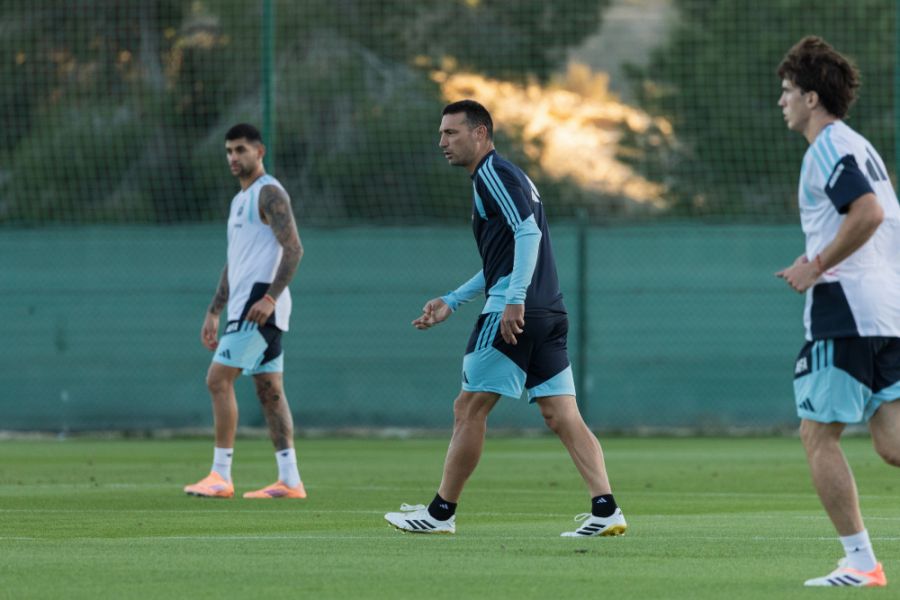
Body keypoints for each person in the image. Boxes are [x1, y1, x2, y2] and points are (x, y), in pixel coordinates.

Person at [384, 100, 626, 537]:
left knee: (468, 408)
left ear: (480, 133)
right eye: (441, 133)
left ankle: (440, 514)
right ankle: (605, 508)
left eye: (451, 133)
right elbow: (506, 255)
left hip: (516, 311)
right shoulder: (507, 176)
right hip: (548, 310)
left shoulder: (492, 174)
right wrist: (454, 300)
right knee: (560, 413)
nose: (442, 142)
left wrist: (514, 299)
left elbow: (528, 234)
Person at [776, 36, 900, 587]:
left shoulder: (826, 145)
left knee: (816, 434)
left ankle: (861, 562)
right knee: (894, 445)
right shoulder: (860, 145)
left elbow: (868, 213)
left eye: (785, 91)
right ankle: (861, 563)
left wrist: (817, 264)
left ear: (809, 98)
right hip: (886, 310)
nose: (781, 101)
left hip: (846, 313)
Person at [184, 123, 307, 500]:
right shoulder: (240, 200)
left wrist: (269, 298)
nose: (233, 158)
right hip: (242, 304)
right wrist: (213, 311)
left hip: (259, 306)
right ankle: (290, 480)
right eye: (228, 151)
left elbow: (294, 249)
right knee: (269, 390)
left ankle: (220, 475)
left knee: (218, 380)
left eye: (240, 150)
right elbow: (234, 262)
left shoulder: (268, 193)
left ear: (260, 151)